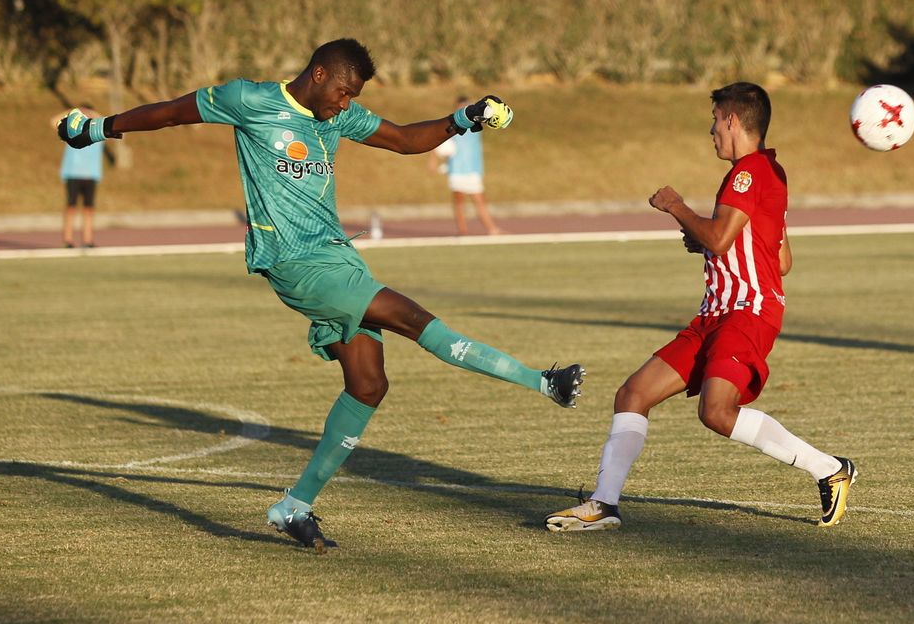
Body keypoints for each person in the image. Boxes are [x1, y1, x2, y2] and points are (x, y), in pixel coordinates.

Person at [56, 39, 584, 551]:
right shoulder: (250, 100)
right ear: (319, 74)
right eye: (344, 91)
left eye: (353, 95)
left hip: (337, 256)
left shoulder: (336, 117)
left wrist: (464, 119)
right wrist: (98, 128)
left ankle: (294, 506)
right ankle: (544, 382)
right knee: (410, 317)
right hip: (292, 261)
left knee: (369, 384)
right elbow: (172, 112)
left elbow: (402, 139)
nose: (346, 103)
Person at [544, 82, 856, 532]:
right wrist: (712, 246)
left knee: (716, 411)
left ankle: (830, 468)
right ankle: (603, 504)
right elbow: (781, 259)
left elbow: (720, 237)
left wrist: (676, 207)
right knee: (633, 394)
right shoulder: (771, 172)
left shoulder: (747, 173)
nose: (711, 131)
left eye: (714, 121)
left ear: (732, 119)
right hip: (716, 312)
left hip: (747, 310)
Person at [433, 97, 503, 235]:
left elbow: (488, 117)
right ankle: (462, 231)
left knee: (480, 201)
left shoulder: (475, 124)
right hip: (457, 169)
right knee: (459, 202)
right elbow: (439, 142)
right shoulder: (452, 124)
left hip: (472, 169)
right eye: (460, 107)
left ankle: (492, 229)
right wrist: (433, 161)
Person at [60, 103, 103, 248]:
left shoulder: (96, 132)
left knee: (89, 209)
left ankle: (88, 239)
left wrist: (91, 112)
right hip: (73, 173)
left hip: (90, 174)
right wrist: (72, 113)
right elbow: (53, 122)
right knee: (71, 207)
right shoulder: (70, 132)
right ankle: (68, 239)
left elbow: (106, 122)